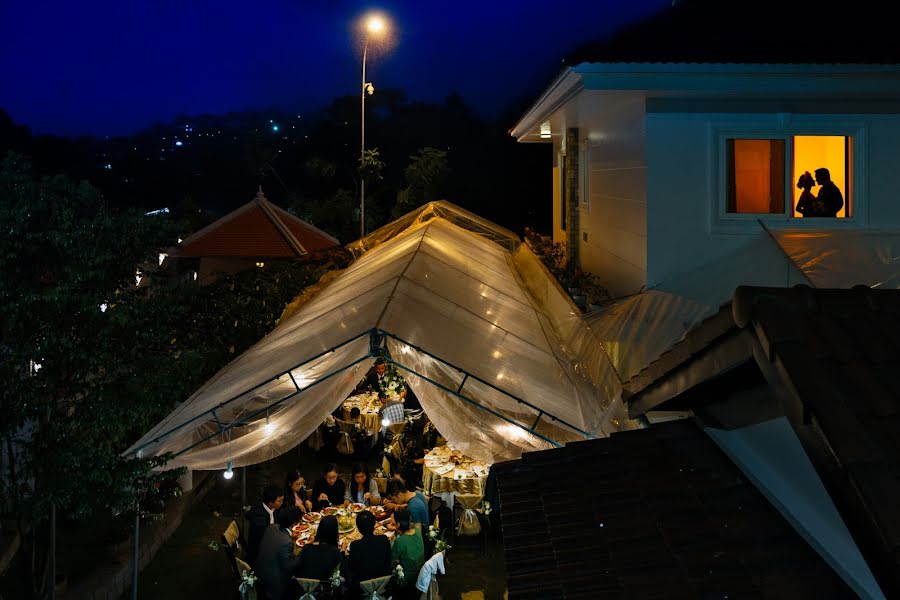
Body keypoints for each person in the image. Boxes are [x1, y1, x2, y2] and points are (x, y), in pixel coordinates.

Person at [255, 506, 302, 600]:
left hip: (260, 571)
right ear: (294, 524)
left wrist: (290, 537)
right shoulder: (286, 542)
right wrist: (303, 553)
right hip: (274, 583)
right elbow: (289, 566)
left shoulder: (272, 527)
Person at [348, 510, 391, 592]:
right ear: (374, 524)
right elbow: (388, 560)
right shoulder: (384, 539)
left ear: (358, 528)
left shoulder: (354, 545)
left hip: (362, 587)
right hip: (384, 583)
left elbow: (352, 567)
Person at [389, 508, 426, 599]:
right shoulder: (418, 531)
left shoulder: (399, 542)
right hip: (421, 573)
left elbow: (392, 563)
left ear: (398, 524)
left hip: (408, 580)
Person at [296, 515, 344, 582]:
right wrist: (342, 551)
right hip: (324, 588)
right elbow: (340, 570)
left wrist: (310, 543)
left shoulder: (306, 548)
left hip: (305, 585)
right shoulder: (334, 551)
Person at [245, 485, 284, 565]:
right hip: (260, 555)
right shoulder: (260, 521)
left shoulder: (272, 508)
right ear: (270, 502)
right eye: (279, 501)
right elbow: (264, 542)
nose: (282, 503)